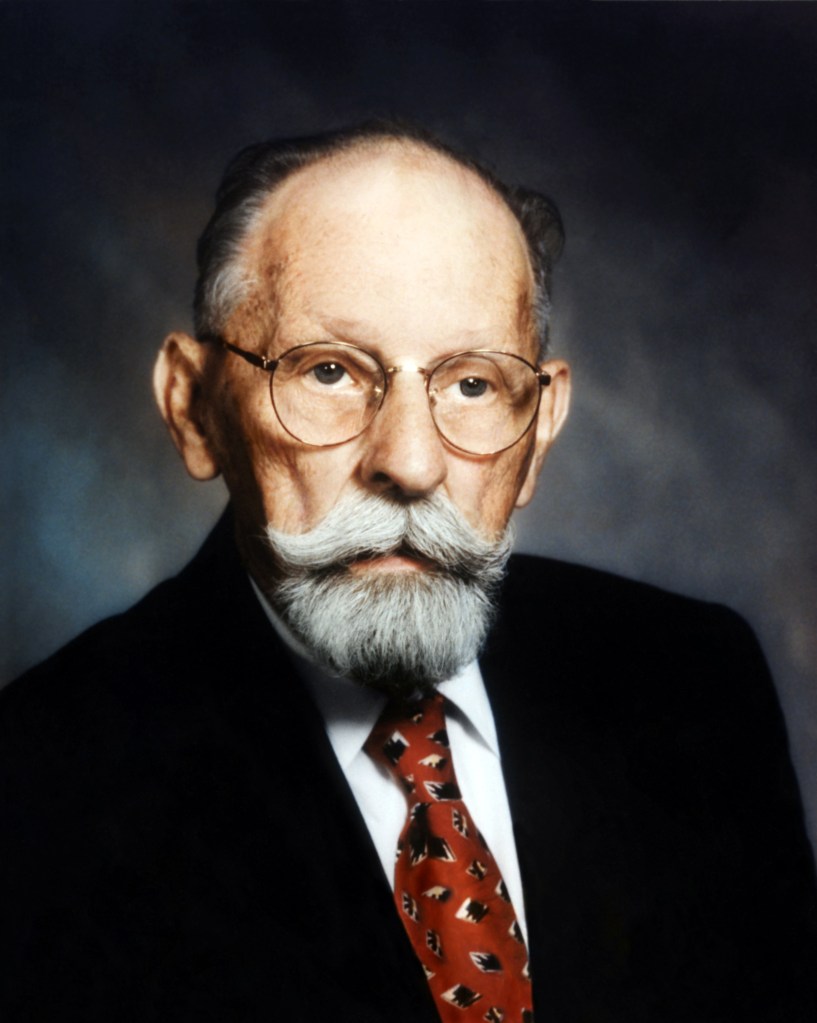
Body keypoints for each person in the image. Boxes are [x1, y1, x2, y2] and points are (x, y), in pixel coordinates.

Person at [1, 122, 815, 1022]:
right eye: (329, 371)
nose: (411, 462)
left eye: (471, 383)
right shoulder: (37, 788)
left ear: (540, 428)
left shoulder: (698, 680)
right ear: (193, 408)